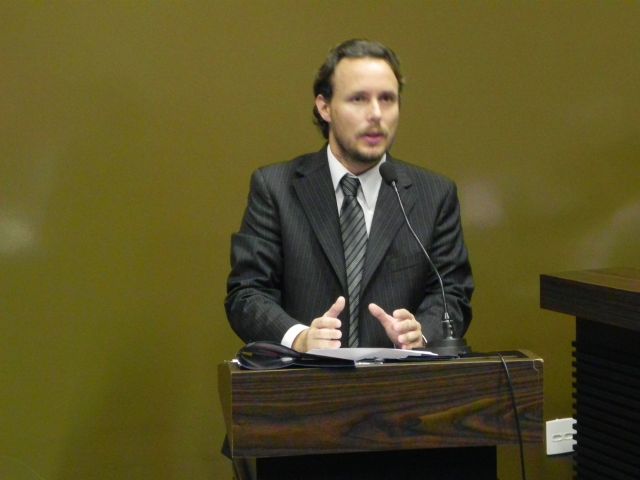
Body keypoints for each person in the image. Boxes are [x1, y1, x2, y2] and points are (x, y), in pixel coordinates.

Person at [225, 39, 473, 353]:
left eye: (387, 99)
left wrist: (421, 333)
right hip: (305, 380)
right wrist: (300, 337)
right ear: (324, 107)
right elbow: (247, 294)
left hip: (400, 380)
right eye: (358, 99)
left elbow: (453, 294)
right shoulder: (276, 188)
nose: (376, 114)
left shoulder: (434, 195)